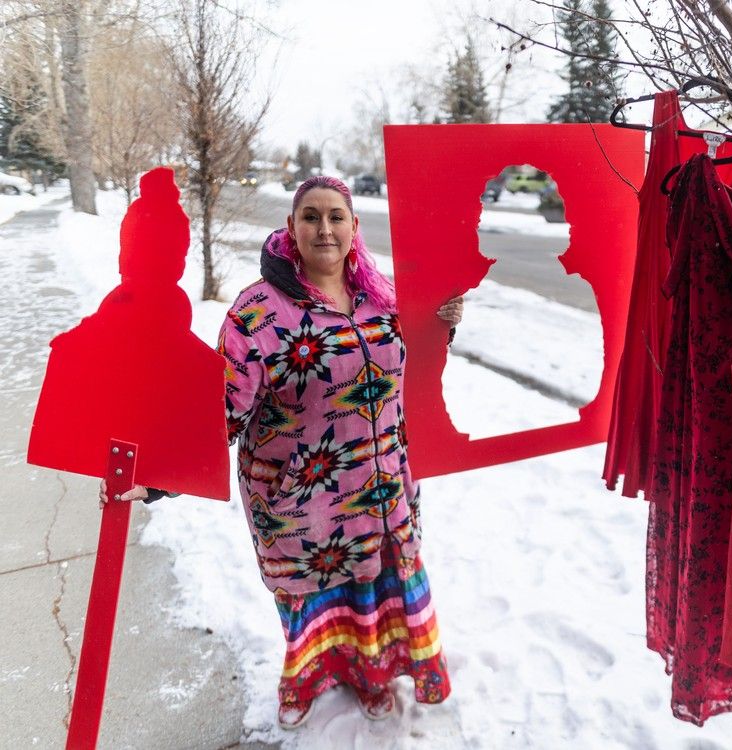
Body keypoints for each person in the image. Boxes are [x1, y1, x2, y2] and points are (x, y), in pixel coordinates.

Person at [100, 175, 463, 728]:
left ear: (354, 227)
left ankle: (374, 677)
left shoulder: (381, 296)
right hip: (302, 501)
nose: (325, 229)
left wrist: (441, 325)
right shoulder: (257, 313)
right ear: (292, 227)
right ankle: (307, 681)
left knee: (377, 590)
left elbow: (410, 366)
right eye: (311, 216)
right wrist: (157, 473)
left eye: (336, 217)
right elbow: (217, 408)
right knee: (312, 606)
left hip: (382, 489)